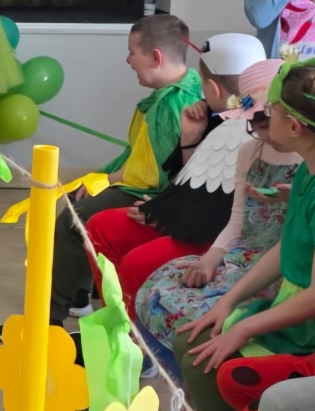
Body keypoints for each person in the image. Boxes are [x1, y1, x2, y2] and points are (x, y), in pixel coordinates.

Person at [162, 59, 315, 411]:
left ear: (294, 126)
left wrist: (243, 326)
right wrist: (228, 305)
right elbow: (286, 249)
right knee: (195, 337)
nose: (263, 117)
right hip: (290, 306)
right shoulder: (308, 172)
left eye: (272, 110)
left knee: (212, 359)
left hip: (305, 326)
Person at [86, 36, 271, 320]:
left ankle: (137, 336)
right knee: (102, 225)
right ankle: (114, 320)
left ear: (212, 87)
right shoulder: (208, 115)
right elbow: (195, 181)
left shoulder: (248, 128)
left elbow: (222, 207)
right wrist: (190, 138)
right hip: (192, 217)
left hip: (216, 233)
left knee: (137, 262)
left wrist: (164, 214)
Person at [137, 64, 299, 376]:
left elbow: (291, 244)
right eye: (254, 124)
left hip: (279, 270)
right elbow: (237, 221)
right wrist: (210, 260)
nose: (263, 133)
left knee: (198, 316)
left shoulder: (306, 163)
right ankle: (180, 382)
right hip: (240, 257)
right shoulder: (250, 152)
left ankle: (195, 386)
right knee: (157, 290)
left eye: (266, 122)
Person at [48, 14, 203, 327]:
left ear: (155, 57)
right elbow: (136, 153)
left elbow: (151, 174)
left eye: (132, 52)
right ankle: (80, 296)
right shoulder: (180, 89)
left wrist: (108, 180)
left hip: (156, 195)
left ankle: (51, 316)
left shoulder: (174, 103)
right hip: (148, 186)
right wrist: (98, 178)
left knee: (73, 218)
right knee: (78, 196)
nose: (128, 60)